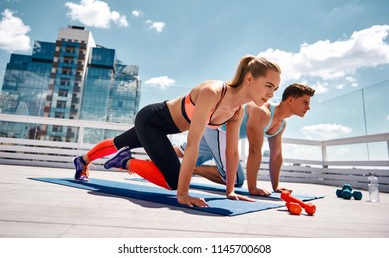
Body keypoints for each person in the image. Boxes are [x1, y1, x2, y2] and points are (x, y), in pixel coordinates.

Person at [73, 55, 281, 207]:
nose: (271, 94)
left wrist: (230, 191)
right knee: (173, 182)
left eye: (275, 89)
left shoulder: (237, 110)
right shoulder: (213, 92)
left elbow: (232, 153)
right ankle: (124, 161)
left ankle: (82, 160)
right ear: (249, 79)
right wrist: (183, 195)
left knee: (119, 142)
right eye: (268, 86)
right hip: (152, 120)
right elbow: (192, 144)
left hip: (163, 128)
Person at [176, 83, 315, 196]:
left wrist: (276, 186)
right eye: (305, 102)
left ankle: (158, 156)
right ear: (290, 100)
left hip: (217, 131)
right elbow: (254, 150)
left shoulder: (281, 124)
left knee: (182, 152)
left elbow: (276, 155)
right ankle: (189, 169)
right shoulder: (262, 111)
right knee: (235, 179)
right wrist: (252, 188)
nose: (308, 107)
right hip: (219, 128)